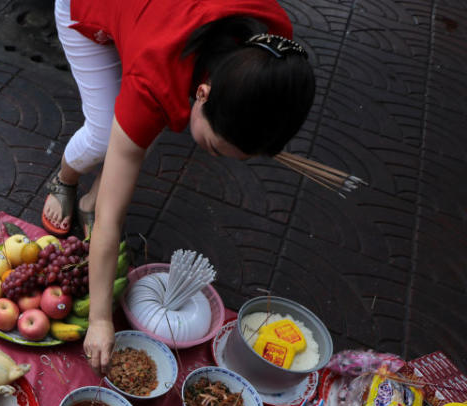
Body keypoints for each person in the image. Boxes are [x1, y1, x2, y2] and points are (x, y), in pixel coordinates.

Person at [42, 0, 316, 375]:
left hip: (153, 22)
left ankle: (92, 196)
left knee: (137, 136)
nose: (217, 158)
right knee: (105, 135)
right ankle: (66, 178)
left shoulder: (275, 57)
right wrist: (101, 321)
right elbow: (111, 221)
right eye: (218, 148)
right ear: (201, 93)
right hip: (88, 8)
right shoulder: (154, 81)